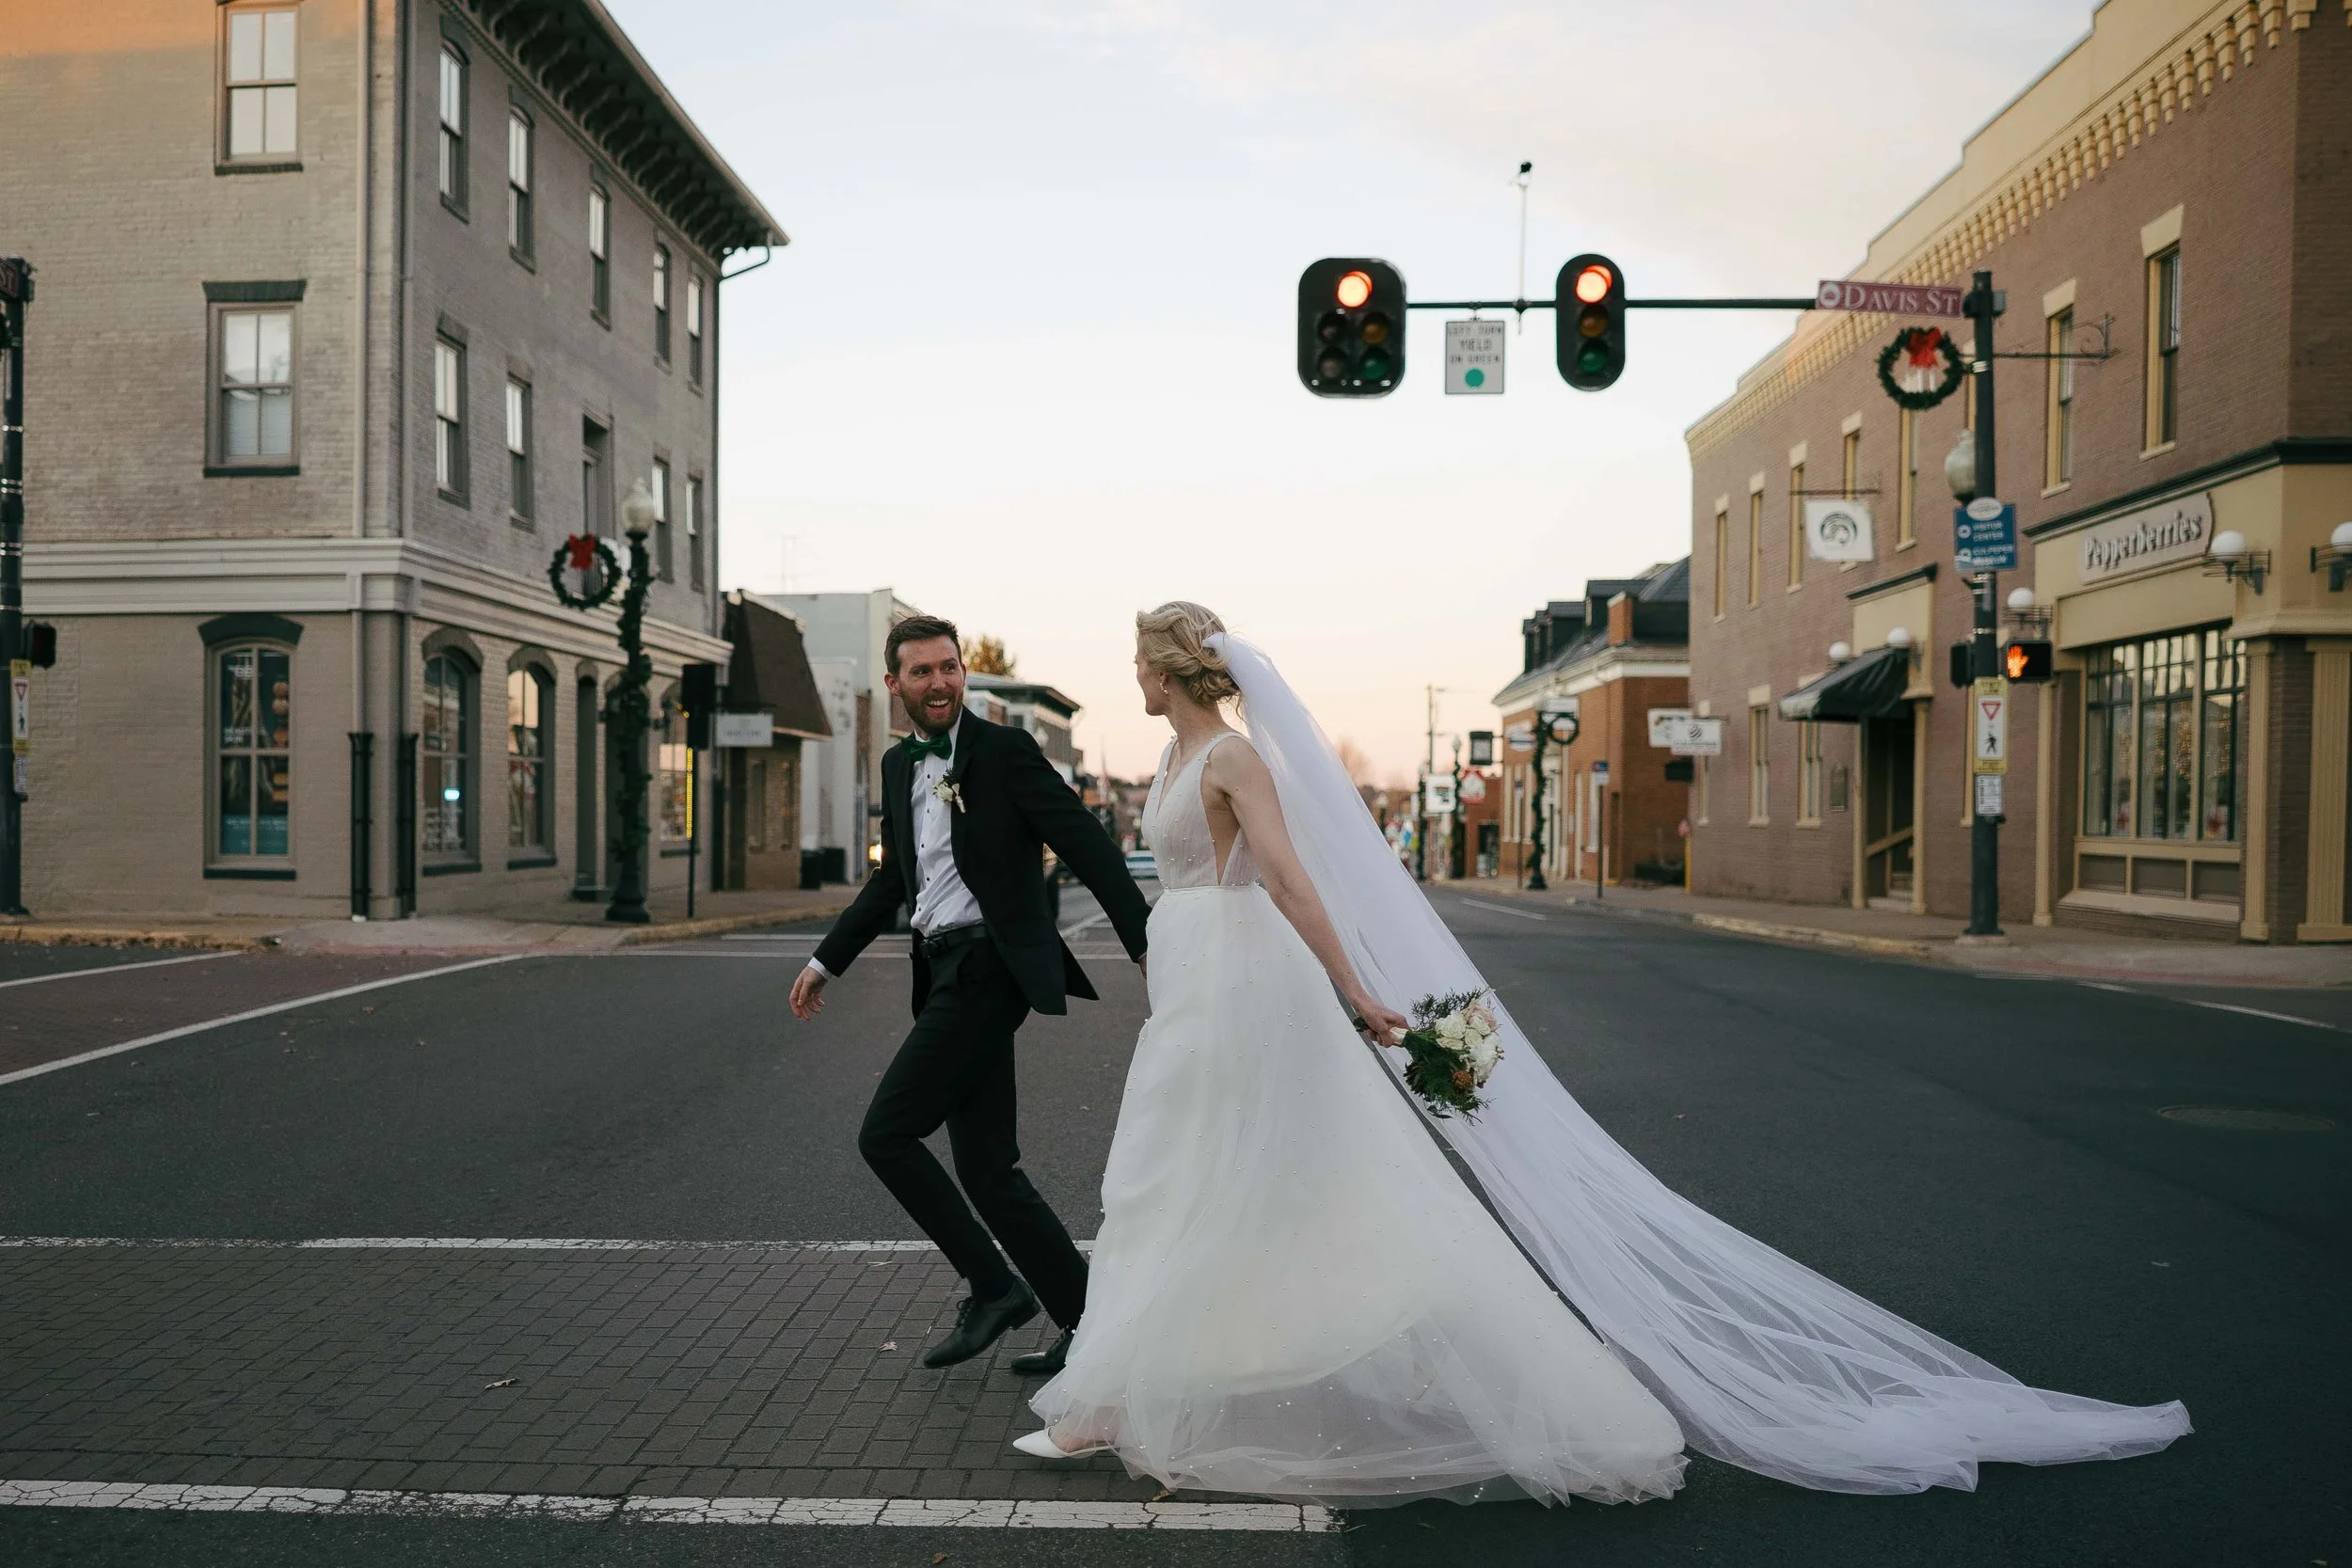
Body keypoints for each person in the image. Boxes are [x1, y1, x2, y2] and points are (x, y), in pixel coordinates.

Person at [1013, 602, 2190, 1509]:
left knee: (1188, 1171)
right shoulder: (1168, 760)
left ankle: (1110, 1403)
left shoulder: (1231, 761)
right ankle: (1127, 1392)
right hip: (1190, 978)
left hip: (1247, 983)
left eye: (1138, 656)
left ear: (1168, 665)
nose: (1132, 672)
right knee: (1185, 1174)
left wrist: (1357, 988)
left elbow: (1290, 878)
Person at [789, 615, 1149, 1374]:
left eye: (949, 667)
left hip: (990, 971)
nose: (939, 682)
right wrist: (829, 958)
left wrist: (1147, 943)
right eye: (920, 672)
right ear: (895, 685)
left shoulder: (1006, 752)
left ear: (963, 673)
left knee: (885, 1134)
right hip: (940, 969)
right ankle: (1093, 1325)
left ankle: (994, 1287)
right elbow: (895, 879)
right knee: (988, 1169)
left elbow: (1085, 841)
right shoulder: (897, 765)